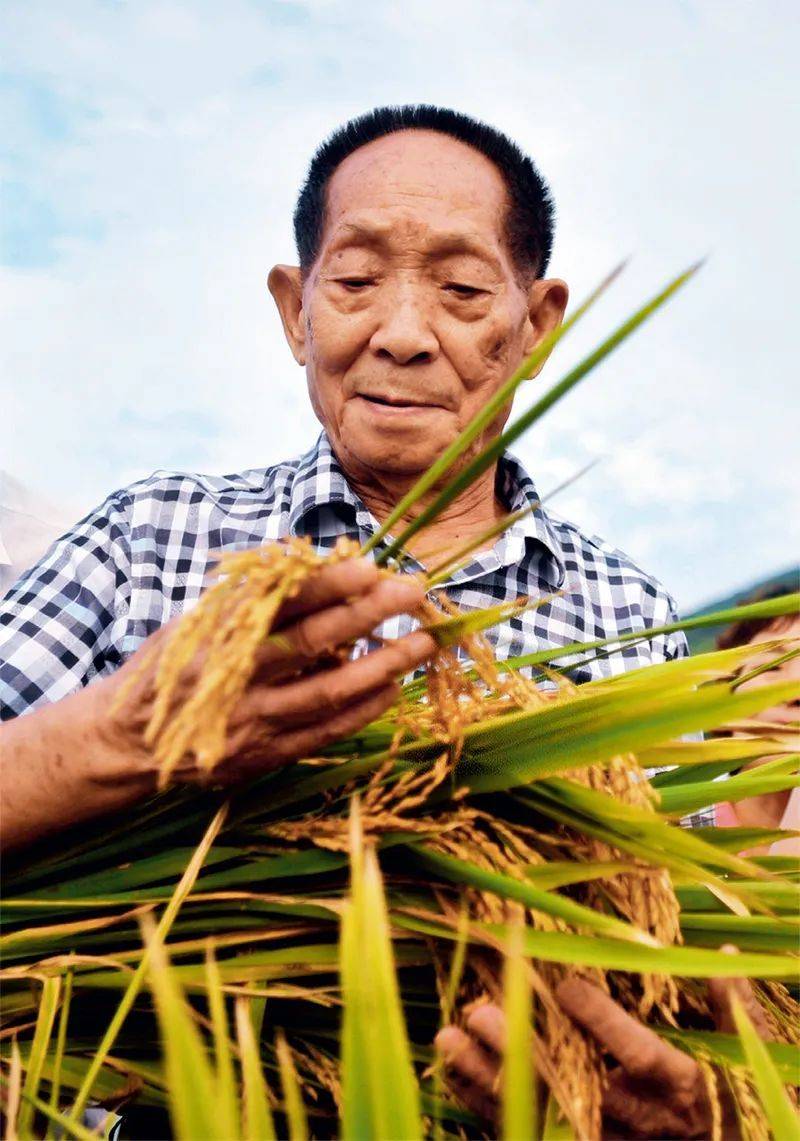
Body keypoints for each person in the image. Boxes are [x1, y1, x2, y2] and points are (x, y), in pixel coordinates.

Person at [0, 105, 774, 1138]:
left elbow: (669, 974)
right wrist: (126, 736)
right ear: (295, 309)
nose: (402, 335)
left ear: (536, 325)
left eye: (458, 291)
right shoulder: (155, 538)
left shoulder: (625, 616)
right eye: (357, 282)